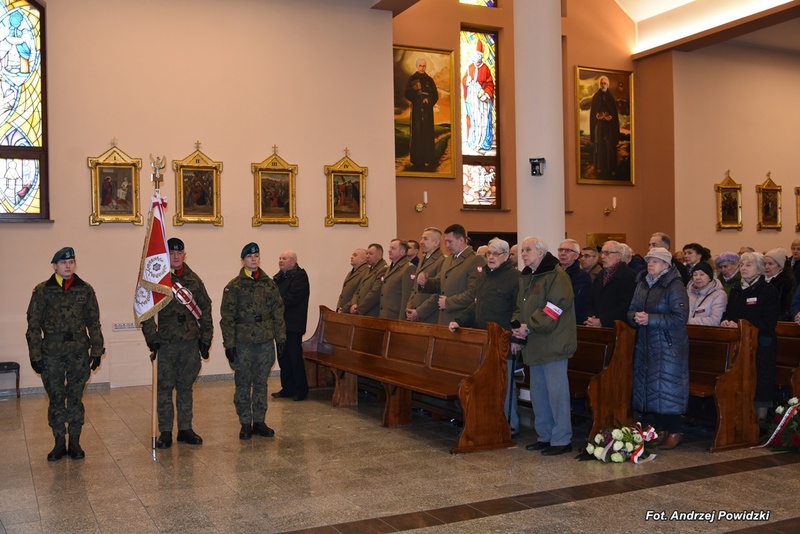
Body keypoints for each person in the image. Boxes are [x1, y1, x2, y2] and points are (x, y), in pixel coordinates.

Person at [26, 247, 105, 461]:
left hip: (78, 352)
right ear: (55, 266)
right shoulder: (42, 290)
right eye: (63, 262)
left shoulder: (85, 290)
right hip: (51, 353)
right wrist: (35, 355)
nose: (68, 265)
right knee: (56, 398)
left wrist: (97, 350)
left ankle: (75, 442)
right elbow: (33, 325)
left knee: (75, 397)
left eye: (71, 261)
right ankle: (59, 442)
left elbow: (93, 322)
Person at [141, 238, 213, 449]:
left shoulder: (194, 280)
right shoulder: (158, 280)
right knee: (164, 388)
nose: (176, 256)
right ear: (166, 256)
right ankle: (165, 431)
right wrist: (152, 338)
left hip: (190, 342)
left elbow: (205, 309)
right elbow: (145, 312)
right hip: (166, 342)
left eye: (179, 253)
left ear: (184, 254)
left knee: (185, 388)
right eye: (172, 253)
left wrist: (206, 338)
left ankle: (185, 429)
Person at [512, 236, 576, 456]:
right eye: (522, 250)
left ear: (540, 252)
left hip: (553, 343)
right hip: (535, 343)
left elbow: (555, 307)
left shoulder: (557, 275)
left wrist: (529, 326)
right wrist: (517, 326)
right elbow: (520, 305)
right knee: (539, 394)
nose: (523, 254)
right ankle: (545, 435)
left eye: (527, 249)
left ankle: (561, 439)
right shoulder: (528, 277)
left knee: (557, 394)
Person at [449, 238, 520, 435]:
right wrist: (460, 320)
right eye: (489, 253)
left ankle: (510, 424)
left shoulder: (515, 277)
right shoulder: (484, 277)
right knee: (485, 383)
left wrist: (515, 339)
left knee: (503, 385)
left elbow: (519, 310)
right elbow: (475, 305)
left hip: (503, 339)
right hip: (483, 338)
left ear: (506, 256)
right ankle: (488, 419)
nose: (491, 257)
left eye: (496, 254)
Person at [220, 242, 286, 440]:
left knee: (261, 383)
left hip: (264, 341)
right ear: (243, 260)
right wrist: (229, 344)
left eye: (256, 255)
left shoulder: (269, 284)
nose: (254, 259)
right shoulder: (234, 286)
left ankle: (259, 421)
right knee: (242, 383)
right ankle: (245, 423)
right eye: (249, 257)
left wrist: (280, 338)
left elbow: (278, 312)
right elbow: (227, 317)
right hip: (243, 342)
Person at [627, 247, 689, 450]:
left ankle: (675, 430)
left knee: (667, 389)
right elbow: (631, 309)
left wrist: (650, 319)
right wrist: (635, 318)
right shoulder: (643, 283)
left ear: (666, 265)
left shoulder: (675, 285)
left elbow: (680, 318)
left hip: (668, 346)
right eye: (648, 260)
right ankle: (659, 429)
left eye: (654, 261)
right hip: (647, 343)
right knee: (651, 389)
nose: (650, 264)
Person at [721, 252, 779, 421]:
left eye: (748, 265)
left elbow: (768, 322)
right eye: (741, 265)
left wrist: (740, 323)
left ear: (759, 269)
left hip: (761, 344)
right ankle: (740, 419)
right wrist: (726, 321)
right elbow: (729, 313)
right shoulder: (737, 290)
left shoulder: (768, 291)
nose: (743, 268)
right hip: (740, 344)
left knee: (761, 382)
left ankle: (760, 422)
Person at [415, 224, 483, 325]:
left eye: (450, 241)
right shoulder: (448, 260)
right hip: (444, 319)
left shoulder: (474, 260)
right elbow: (439, 283)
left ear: (461, 240)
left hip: (460, 319)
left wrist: (448, 302)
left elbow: (474, 292)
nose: (447, 245)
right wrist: (425, 282)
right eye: (446, 241)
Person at [273, 250, 310, 402]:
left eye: (284, 258)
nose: (281, 261)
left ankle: (300, 389)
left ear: (293, 262)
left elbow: (291, 298)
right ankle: (287, 387)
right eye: (280, 258)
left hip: (294, 324)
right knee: (283, 357)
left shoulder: (300, 276)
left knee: (294, 357)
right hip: (280, 324)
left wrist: (275, 304)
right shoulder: (279, 277)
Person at [584, 240, 637, 328]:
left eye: (607, 253)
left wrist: (602, 321)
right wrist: (591, 317)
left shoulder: (629, 276)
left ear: (618, 256)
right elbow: (590, 300)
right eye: (602, 253)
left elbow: (626, 307)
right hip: (596, 326)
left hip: (617, 329)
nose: (603, 257)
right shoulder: (600, 275)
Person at [404, 58, 440, 170]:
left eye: (424, 66)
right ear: (416, 66)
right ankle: (417, 161)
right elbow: (407, 93)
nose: (422, 68)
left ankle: (428, 160)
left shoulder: (429, 80)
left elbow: (435, 95)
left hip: (427, 111)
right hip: (417, 110)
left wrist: (428, 100)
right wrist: (415, 93)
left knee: (427, 133)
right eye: (420, 65)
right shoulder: (412, 79)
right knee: (417, 133)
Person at [405, 227, 445, 324]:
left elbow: (438, 292)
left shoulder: (442, 260)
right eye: (422, 238)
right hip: (415, 313)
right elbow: (414, 288)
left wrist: (419, 312)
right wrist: (409, 308)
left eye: (425, 239)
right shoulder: (423, 259)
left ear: (436, 243)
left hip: (429, 316)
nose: (421, 242)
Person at [462, 40, 494, 154]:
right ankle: (474, 142)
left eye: (479, 55)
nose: (477, 57)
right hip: (473, 101)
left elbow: (490, 83)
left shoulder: (486, 69)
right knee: (474, 120)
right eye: (476, 55)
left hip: (483, 102)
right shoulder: (469, 67)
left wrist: (486, 94)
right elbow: (464, 80)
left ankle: (483, 143)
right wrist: (467, 81)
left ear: (481, 56)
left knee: (484, 121)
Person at [589, 75, 619, 178]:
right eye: (602, 83)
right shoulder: (596, 97)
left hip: (609, 126)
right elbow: (593, 112)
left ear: (608, 85)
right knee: (600, 145)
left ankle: (612, 169)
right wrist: (597, 115)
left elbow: (614, 114)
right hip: (600, 125)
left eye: (605, 83)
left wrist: (610, 117)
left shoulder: (611, 97)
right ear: (599, 84)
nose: (603, 85)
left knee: (610, 146)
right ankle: (600, 168)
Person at [557, 239, 591, 324]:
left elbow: (575, 303)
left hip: (571, 322)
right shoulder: (553, 273)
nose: (563, 253)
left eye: (567, 250)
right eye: (561, 250)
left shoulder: (582, 276)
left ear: (576, 256)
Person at [349, 243, 387, 317]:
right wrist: (354, 303)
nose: (367, 256)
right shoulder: (367, 270)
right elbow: (358, 290)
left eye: (370, 254)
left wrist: (359, 309)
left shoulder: (383, 270)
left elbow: (374, 293)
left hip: (372, 313)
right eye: (367, 253)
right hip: (362, 312)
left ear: (379, 256)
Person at [686, 261, 727, 326]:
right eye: (695, 275)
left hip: (708, 333)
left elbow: (715, 321)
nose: (698, 278)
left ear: (710, 277)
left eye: (702, 274)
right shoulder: (688, 293)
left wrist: (687, 321)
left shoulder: (719, 294)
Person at [764, 247, 796, 322]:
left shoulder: (787, 283)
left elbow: (786, 308)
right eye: (765, 263)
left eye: (770, 264)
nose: (766, 267)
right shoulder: (761, 280)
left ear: (780, 266)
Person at [336, 248, 369, 313]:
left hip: (352, 311)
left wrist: (344, 309)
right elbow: (343, 293)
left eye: (355, 255)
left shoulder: (365, 273)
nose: (351, 257)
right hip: (343, 312)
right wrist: (339, 307)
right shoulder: (350, 273)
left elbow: (358, 293)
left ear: (363, 259)